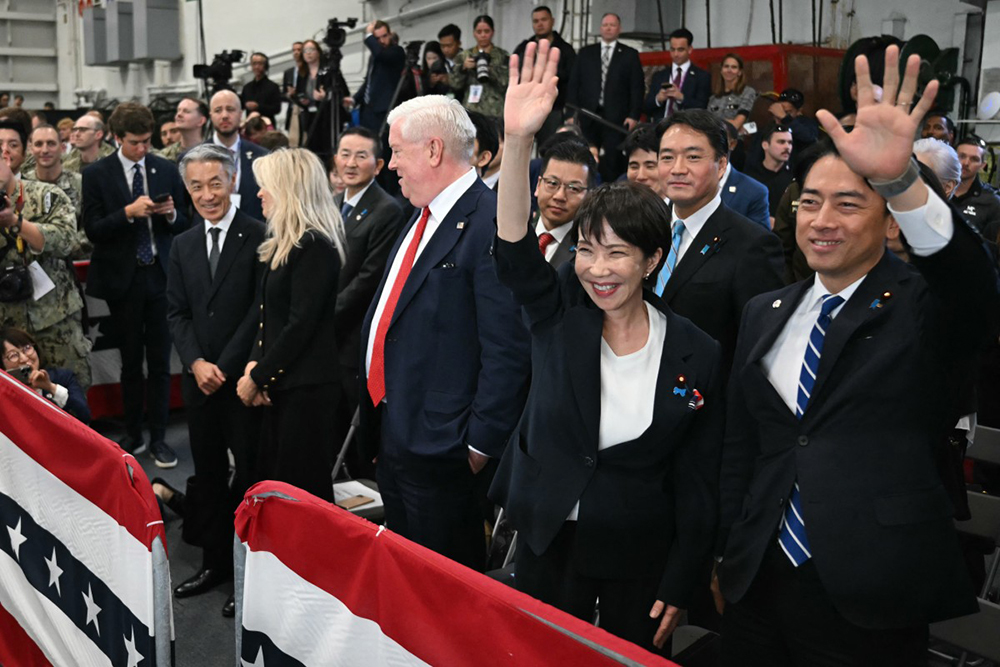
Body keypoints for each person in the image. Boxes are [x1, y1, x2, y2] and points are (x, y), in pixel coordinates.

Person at [717, 46, 996, 665]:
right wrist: (730, 550)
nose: (822, 220)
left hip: (873, 591)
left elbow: (973, 288)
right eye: (810, 202)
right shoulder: (767, 312)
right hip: (757, 582)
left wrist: (902, 180)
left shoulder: (923, 308)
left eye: (848, 204)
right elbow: (747, 446)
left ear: (888, 220)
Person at [490, 40, 723, 653]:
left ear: (651, 259)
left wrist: (683, 577)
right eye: (588, 249)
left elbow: (697, 480)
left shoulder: (696, 352)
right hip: (545, 547)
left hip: (639, 563)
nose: (597, 269)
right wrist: (517, 143)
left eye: (617, 252)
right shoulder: (559, 321)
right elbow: (515, 253)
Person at [357, 95, 531, 571]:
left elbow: (508, 348)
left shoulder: (491, 221)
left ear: (433, 150)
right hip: (397, 427)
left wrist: (477, 445)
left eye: (397, 151)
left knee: (444, 584)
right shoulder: (421, 213)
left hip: (444, 445)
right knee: (407, 571)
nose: (390, 165)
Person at [167, 144, 266, 617]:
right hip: (199, 381)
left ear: (233, 181)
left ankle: (248, 577)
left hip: (244, 384)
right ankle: (212, 564)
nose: (207, 194)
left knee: (249, 477)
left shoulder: (259, 236)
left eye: (215, 183)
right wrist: (195, 363)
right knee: (205, 478)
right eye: (196, 186)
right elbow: (178, 312)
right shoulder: (182, 244)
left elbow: (258, 311)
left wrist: (221, 365)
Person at [236, 148, 346, 501]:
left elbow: (301, 325)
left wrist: (256, 377)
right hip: (285, 385)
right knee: (279, 486)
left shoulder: (314, 246)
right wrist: (258, 364)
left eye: (265, 185)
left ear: (287, 189)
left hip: (308, 391)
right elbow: (269, 315)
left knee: (302, 493)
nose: (259, 193)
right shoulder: (287, 245)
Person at [82, 102, 188, 467]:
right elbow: (92, 229)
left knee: (160, 362)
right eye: (135, 142)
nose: (142, 148)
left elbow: (185, 220)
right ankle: (132, 431)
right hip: (122, 279)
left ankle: (160, 437)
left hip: (161, 276)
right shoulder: (97, 173)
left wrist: (171, 212)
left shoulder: (166, 168)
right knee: (129, 361)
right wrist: (127, 214)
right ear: (116, 138)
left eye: (147, 141)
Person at [654, 109, 784, 374]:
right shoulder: (645, 228)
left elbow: (760, 347)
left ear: (722, 164)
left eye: (693, 157)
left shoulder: (753, 244)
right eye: (667, 157)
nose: (678, 169)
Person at [331, 127, 405, 478]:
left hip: (353, 338)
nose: (351, 162)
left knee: (356, 431)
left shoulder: (387, 210)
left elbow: (368, 280)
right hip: (327, 337)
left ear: (378, 166)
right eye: (345, 154)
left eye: (361, 156)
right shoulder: (331, 204)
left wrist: (321, 316)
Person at [0, 129, 92, 391]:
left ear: (6, 159)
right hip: (7, 332)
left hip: (55, 321)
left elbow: (65, 241)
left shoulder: (46, 196)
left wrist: (16, 223)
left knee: (71, 402)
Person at [567, 13, 644, 183]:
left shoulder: (629, 54)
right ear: (600, 28)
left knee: (612, 159)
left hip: (616, 119)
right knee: (584, 154)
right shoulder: (586, 53)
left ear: (619, 29)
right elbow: (574, 84)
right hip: (587, 115)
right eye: (605, 25)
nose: (608, 28)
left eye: (612, 25)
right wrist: (571, 113)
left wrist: (634, 115)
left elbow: (637, 87)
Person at [513, 6, 577, 146]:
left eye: (543, 19)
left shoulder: (565, 50)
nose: (540, 24)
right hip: (526, 107)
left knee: (550, 148)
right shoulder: (524, 48)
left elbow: (574, 82)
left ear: (552, 21)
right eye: (536, 21)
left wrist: (570, 112)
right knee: (521, 149)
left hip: (554, 109)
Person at [1, 326, 90, 423]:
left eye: (27, 348)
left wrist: (51, 388)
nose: (24, 358)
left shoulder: (62, 377)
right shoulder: (3, 393)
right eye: (13, 355)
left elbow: (84, 416)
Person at [206, 90, 269, 220]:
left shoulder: (262, 157)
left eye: (230, 109)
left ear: (240, 114)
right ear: (211, 116)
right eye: (218, 110)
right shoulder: (194, 157)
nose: (224, 115)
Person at [534, 138, 596, 267]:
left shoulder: (591, 249)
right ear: (538, 186)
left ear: (589, 196)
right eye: (552, 183)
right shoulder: (517, 232)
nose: (559, 196)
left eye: (573, 188)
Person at [346, 21, 406, 135]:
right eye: (377, 38)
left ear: (390, 34)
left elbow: (381, 55)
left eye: (384, 36)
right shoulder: (374, 56)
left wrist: (368, 35)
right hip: (368, 110)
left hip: (384, 110)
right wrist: (355, 99)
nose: (382, 41)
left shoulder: (397, 51)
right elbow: (369, 81)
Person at [449, 15, 510, 119]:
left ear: (493, 32)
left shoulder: (502, 56)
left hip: (495, 111)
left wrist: (489, 70)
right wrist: (463, 68)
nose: (483, 35)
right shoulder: (464, 56)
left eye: (487, 31)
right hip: (472, 111)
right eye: (479, 32)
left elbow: (506, 83)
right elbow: (454, 84)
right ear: (474, 33)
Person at [645, 28, 712, 121]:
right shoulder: (659, 76)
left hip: (687, 128)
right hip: (660, 127)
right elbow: (645, 107)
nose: (676, 54)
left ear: (690, 49)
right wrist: (658, 99)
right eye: (672, 49)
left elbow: (702, 107)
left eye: (680, 50)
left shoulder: (702, 76)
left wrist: (681, 98)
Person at [23, 124, 83, 221]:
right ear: (31, 149)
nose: (45, 150)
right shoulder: (22, 184)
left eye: (51, 143)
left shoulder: (81, 183)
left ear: (62, 147)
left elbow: (88, 227)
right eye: (38, 144)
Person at [743, 123, 795, 224]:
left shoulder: (794, 177)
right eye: (781, 142)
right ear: (765, 145)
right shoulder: (750, 177)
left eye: (790, 143)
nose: (787, 147)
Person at [953, 134, 1000, 231]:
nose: (966, 163)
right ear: (951, 158)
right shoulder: (936, 191)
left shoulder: (992, 202)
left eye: (974, 159)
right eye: (961, 156)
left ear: (982, 165)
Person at [706, 53, 757, 131]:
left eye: (734, 67)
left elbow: (736, 125)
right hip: (716, 141)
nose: (729, 70)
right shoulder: (713, 98)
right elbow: (707, 126)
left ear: (739, 72)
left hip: (737, 140)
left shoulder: (747, 92)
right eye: (726, 66)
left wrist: (715, 123)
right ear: (721, 70)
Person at [767, 88, 819, 162]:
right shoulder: (771, 126)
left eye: (787, 112)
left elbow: (810, 137)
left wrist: (785, 118)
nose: (780, 114)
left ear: (799, 111)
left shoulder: (806, 123)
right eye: (780, 111)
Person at [293, 40, 324, 144]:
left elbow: (341, 90)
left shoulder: (326, 70)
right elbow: (299, 92)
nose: (308, 53)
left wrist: (325, 96)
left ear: (318, 52)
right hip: (308, 114)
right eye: (305, 50)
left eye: (311, 49)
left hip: (324, 114)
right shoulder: (302, 72)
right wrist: (301, 99)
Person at [161, 97, 208, 163]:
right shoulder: (164, 156)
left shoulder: (213, 153)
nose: (179, 114)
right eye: (178, 110)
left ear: (201, 121)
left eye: (186, 111)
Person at [624, 124, 664, 198]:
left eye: (650, 167)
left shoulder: (684, 207)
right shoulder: (618, 206)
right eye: (634, 167)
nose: (641, 176)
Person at [241, 52, 282, 122]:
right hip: (250, 126)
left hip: (267, 126)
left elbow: (277, 109)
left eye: (260, 64)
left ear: (265, 66)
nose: (256, 67)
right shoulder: (247, 87)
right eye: (254, 64)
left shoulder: (273, 86)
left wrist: (258, 107)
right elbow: (241, 105)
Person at [282, 41, 304, 137]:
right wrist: (288, 94)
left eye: (299, 50)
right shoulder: (289, 72)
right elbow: (282, 93)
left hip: (304, 108)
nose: (296, 52)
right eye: (294, 50)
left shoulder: (309, 70)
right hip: (292, 109)